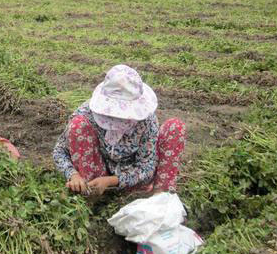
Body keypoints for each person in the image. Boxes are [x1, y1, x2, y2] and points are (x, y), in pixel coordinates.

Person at [53, 64, 186, 196]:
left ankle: (160, 197)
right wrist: (73, 175)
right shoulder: (87, 113)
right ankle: (93, 196)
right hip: (97, 177)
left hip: (135, 181)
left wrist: (112, 181)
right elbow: (60, 151)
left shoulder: (146, 121)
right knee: (78, 125)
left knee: (175, 127)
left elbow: (146, 167)